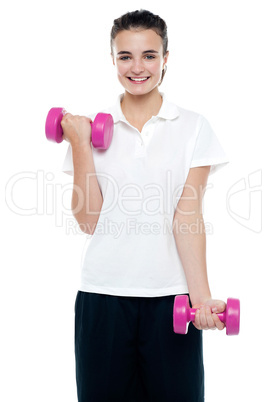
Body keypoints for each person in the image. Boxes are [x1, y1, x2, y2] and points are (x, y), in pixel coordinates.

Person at [61, 9, 229, 402]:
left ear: (166, 58)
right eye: (126, 56)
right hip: (102, 296)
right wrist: (81, 144)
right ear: (113, 59)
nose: (138, 67)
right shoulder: (87, 128)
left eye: (149, 55)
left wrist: (201, 300)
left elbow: (187, 217)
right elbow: (87, 220)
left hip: (171, 301)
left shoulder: (193, 127)